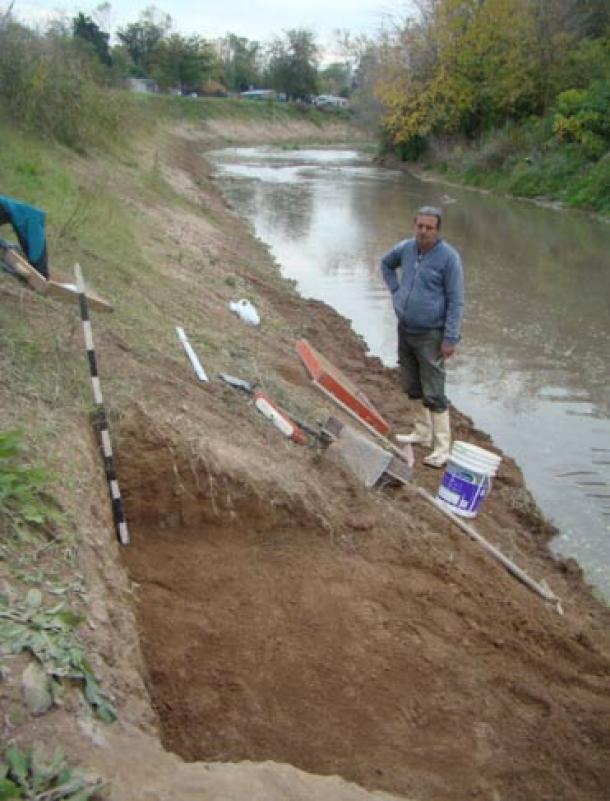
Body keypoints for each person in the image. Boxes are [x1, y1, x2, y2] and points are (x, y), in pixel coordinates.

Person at [381, 205, 464, 467]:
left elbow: (456, 300)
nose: (423, 232)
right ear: (414, 225)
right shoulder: (406, 248)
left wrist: (450, 338)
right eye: (420, 226)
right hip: (405, 328)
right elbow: (385, 264)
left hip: (432, 334)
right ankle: (422, 432)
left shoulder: (449, 258)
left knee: (434, 391)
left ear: (437, 230)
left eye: (429, 228)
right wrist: (395, 291)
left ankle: (442, 448)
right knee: (412, 384)